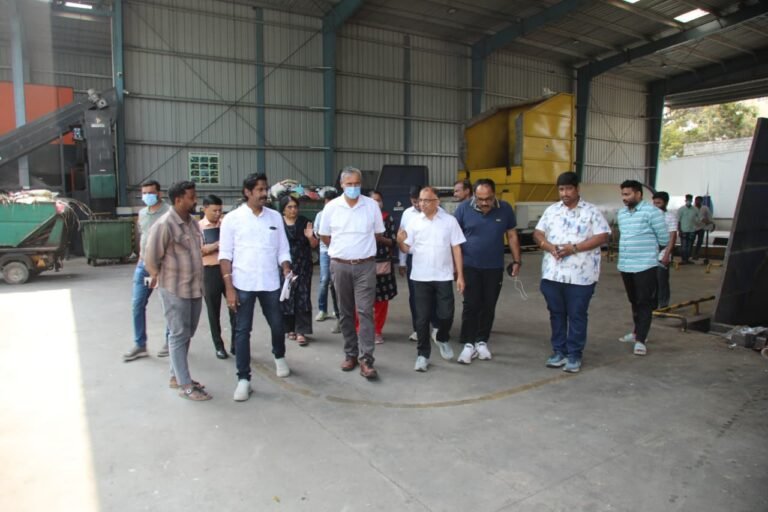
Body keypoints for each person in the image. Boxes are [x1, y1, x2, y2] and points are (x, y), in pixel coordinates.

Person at [219, 173, 292, 402]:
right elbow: (225, 255)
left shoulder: (275, 217)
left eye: (265, 189)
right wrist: (229, 289)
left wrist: (286, 267)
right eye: (259, 190)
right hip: (243, 283)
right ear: (247, 192)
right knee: (242, 331)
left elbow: (282, 248)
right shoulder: (232, 219)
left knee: (278, 324)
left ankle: (279, 355)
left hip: (270, 282)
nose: (264, 194)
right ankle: (243, 379)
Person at [533, 172, 611, 373]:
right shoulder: (552, 210)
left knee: (577, 314)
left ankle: (574, 354)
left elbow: (602, 236)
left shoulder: (591, 211)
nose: (564, 193)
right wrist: (549, 246)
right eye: (561, 189)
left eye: (568, 189)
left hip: (581, 277)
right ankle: (559, 351)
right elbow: (538, 233)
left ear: (577, 189)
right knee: (556, 314)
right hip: (552, 274)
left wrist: (574, 248)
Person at [143, 181, 210, 401]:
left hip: (194, 288)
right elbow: (150, 259)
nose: (195, 200)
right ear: (179, 199)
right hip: (174, 289)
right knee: (178, 334)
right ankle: (185, 385)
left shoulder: (192, 223)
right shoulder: (164, 225)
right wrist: (160, 283)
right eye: (192, 197)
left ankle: (176, 376)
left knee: (186, 333)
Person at [317, 166, 385, 379]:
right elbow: (325, 236)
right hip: (340, 265)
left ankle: (366, 359)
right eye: (349, 184)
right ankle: (350, 353)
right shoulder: (331, 208)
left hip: (365, 266)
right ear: (341, 185)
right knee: (345, 312)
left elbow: (377, 233)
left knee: (365, 311)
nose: (354, 187)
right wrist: (342, 251)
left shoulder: (371, 206)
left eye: (357, 184)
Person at [453, 178, 521, 364]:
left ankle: (481, 341)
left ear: (494, 195)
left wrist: (517, 260)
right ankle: (468, 344)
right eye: (480, 199)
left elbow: (512, 235)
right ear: (474, 195)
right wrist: (456, 268)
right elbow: (454, 240)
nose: (484, 203)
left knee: (489, 305)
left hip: (494, 266)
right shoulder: (463, 209)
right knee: (471, 304)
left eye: (488, 199)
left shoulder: (505, 209)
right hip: (469, 266)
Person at [397, 186, 465, 371]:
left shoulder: (449, 221)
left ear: (437, 202)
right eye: (420, 200)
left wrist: (460, 275)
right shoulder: (414, 222)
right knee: (422, 319)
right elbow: (406, 249)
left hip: (443, 276)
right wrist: (400, 241)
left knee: (446, 314)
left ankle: (442, 338)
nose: (422, 204)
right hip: (420, 277)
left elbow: (456, 248)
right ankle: (422, 355)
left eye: (427, 200)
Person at [617, 180, 669, 356]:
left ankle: (641, 340)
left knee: (644, 302)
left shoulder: (653, 213)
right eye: (623, 194)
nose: (624, 198)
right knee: (634, 300)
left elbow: (664, 239)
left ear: (638, 194)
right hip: (626, 265)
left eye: (627, 194)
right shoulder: (622, 214)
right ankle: (636, 332)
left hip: (645, 266)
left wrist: (649, 254)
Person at [123, 179, 170, 362]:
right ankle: (140, 344)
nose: (147, 196)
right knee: (137, 304)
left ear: (159, 193)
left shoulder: (169, 212)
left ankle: (171, 341)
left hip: (163, 267)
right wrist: (140, 259)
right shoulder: (142, 213)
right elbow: (143, 237)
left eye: (150, 193)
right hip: (143, 266)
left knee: (168, 306)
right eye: (144, 193)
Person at [199, 194, 235, 360]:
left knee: (235, 307)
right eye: (214, 210)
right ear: (204, 209)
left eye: (220, 210)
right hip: (210, 271)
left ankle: (236, 343)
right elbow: (199, 250)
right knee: (213, 311)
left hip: (228, 269)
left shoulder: (226, 224)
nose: (218, 214)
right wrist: (216, 245)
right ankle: (218, 345)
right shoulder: (198, 227)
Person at [358, 190, 397, 344]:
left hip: (382, 265)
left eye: (379, 200)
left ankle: (377, 331)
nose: (376, 203)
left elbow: (393, 242)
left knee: (381, 300)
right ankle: (360, 329)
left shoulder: (387, 218)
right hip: (361, 263)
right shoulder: (359, 217)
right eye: (373, 200)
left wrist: (380, 238)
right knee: (361, 299)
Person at [279, 195, 317, 347]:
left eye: (295, 207)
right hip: (285, 265)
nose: (293, 210)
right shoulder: (278, 223)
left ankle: (301, 331)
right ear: (283, 209)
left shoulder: (304, 222)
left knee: (303, 296)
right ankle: (289, 328)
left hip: (303, 265)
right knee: (287, 296)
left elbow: (314, 245)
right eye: (289, 207)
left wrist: (310, 237)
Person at [398, 185, 423, 342]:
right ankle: (418, 328)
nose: (418, 205)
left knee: (433, 293)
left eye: (419, 201)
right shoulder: (407, 214)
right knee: (415, 295)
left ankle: (436, 326)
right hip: (413, 259)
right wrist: (402, 262)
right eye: (414, 202)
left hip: (432, 258)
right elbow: (402, 238)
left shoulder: (438, 212)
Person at [314, 191, 340, 332]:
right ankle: (322, 309)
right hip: (325, 251)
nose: (328, 204)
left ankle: (337, 310)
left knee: (337, 282)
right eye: (326, 201)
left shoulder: (340, 214)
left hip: (338, 252)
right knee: (325, 279)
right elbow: (317, 233)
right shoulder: (320, 215)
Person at [652, 191, 677, 309]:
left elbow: (672, 237)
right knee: (651, 282)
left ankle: (663, 305)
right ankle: (653, 305)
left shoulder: (670, 217)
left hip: (663, 254)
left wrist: (667, 254)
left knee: (662, 281)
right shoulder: (650, 217)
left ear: (666, 203)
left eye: (659, 203)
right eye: (654, 203)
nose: (656, 205)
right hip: (650, 254)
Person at [677, 194, 697, 264]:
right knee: (684, 246)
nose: (688, 201)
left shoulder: (695, 209)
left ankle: (687, 259)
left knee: (690, 246)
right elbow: (678, 221)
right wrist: (679, 230)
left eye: (690, 200)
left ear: (691, 200)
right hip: (683, 230)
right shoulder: (681, 209)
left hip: (692, 230)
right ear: (685, 200)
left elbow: (698, 218)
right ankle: (683, 259)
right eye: (687, 200)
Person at [693, 196, 713, 260]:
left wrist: (710, 225)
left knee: (700, 241)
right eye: (696, 200)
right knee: (691, 241)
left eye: (699, 201)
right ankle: (689, 255)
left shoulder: (705, 208)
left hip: (702, 227)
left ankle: (696, 254)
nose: (697, 202)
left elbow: (709, 216)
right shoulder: (692, 208)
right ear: (695, 201)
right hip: (693, 228)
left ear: (701, 201)